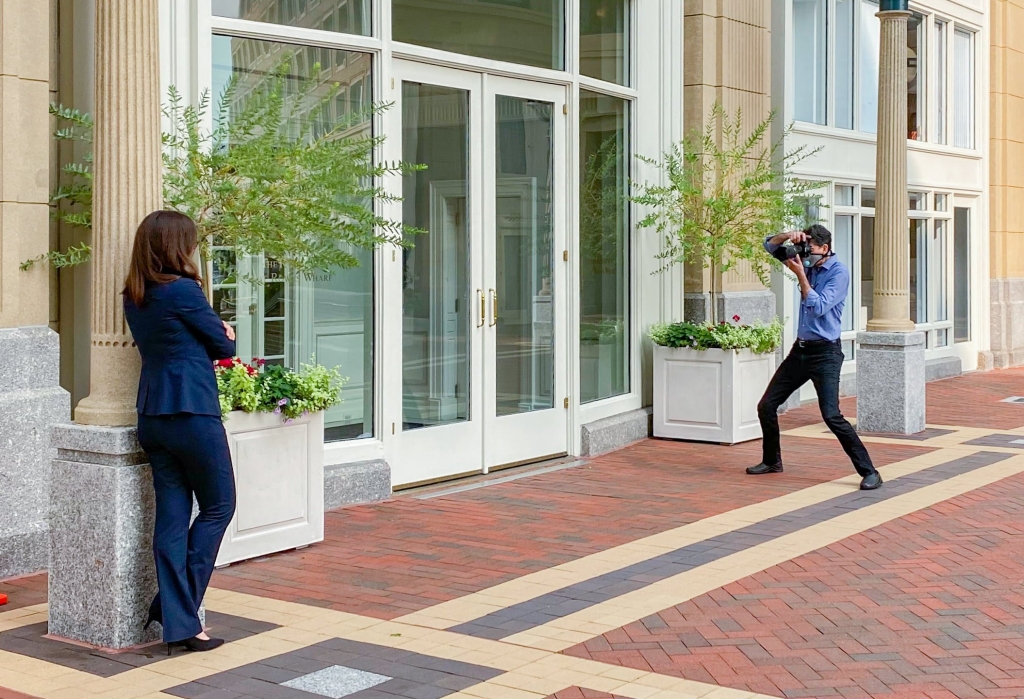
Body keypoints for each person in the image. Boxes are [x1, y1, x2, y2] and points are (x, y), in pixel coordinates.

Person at [123, 210, 237, 654]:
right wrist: (223, 332)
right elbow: (224, 345)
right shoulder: (184, 291)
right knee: (218, 506)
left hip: (153, 415)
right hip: (192, 412)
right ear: (177, 246)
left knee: (172, 516)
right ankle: (177, 611)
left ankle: (175, 615)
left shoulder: (134, 295)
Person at [747, 224, 882, 490]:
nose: (806, 255)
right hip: (801, 350)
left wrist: (800, 275)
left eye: (811, 250)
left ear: (825, 249)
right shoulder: (805, 260)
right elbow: (769, 246)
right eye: (805, 248)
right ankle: (772, 461)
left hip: (826, 353)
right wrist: (788, 236)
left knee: (831, 415)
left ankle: (870, 472)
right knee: (766, 406)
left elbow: (818, 306)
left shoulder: (838, 273)